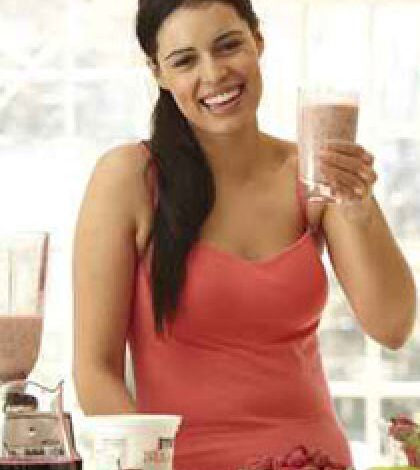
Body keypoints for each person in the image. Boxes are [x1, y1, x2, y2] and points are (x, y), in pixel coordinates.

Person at [72, 0, 417, 469]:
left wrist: (358, 208)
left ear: (258, 41)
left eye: (228, 46)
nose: (214, 74)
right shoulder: (129, 177)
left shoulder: (310, 169)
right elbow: (95, 372)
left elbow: (392, 326)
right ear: (158, 73)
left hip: (311, 460)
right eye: (185, 61)